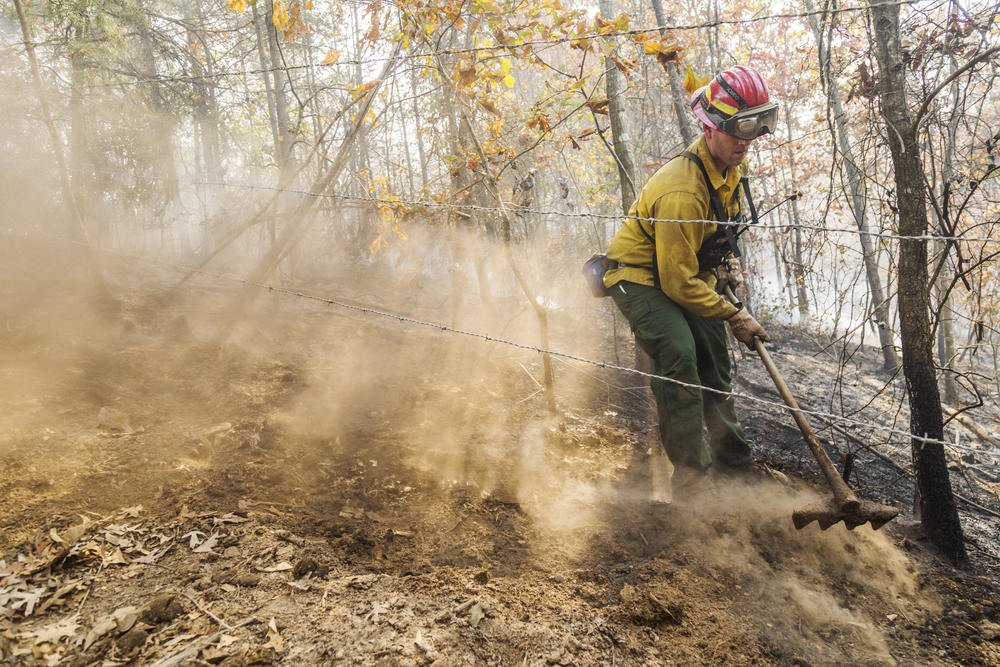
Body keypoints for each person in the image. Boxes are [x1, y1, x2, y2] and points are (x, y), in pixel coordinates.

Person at [602, 65, 776, 490]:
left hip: (684, 269)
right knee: (680, 353)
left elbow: (714, 241)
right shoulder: (682, 190)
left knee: (714, 356)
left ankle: (733, 465)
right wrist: (734, 316)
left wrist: (726, 279)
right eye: (739, 128)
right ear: (710, 127)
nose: (747, 139)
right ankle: (693, 480)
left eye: (758, 125)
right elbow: (676, 282)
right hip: (640, 276)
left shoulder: (731, 167)